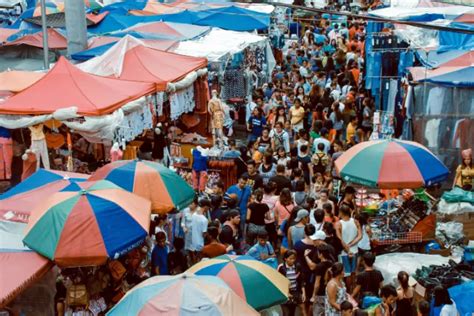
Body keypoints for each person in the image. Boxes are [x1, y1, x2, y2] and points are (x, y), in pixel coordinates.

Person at [335, 205, 362, 279]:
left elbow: (340, 239)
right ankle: (352, 289)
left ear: (341, 213)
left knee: (346, 274)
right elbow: (360, 236)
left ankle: (348, 289)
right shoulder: (355, 221)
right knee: (353, 272)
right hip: (355, 251)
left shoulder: (338, 224)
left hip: (344, 253)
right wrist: (351, 245)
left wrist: (347, 248)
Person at [278, 250, 307, 316]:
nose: (292, 260)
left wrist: (303, 293)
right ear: (285, 259)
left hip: (296, 292)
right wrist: (287, 293)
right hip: (285, 293)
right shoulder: (281, 268)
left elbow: (301, 280)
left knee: (302, 309)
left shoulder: (297, 266)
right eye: (290, 259)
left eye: (294, 258)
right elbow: (279, 282)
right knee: (287, 313)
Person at [311, 244, 335, 316]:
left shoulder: (319, 266)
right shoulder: (331, 263)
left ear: (321, 254)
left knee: (317, 313)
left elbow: (317, 283)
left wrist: (313, 295)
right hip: (329, 291)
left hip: (320, 293)